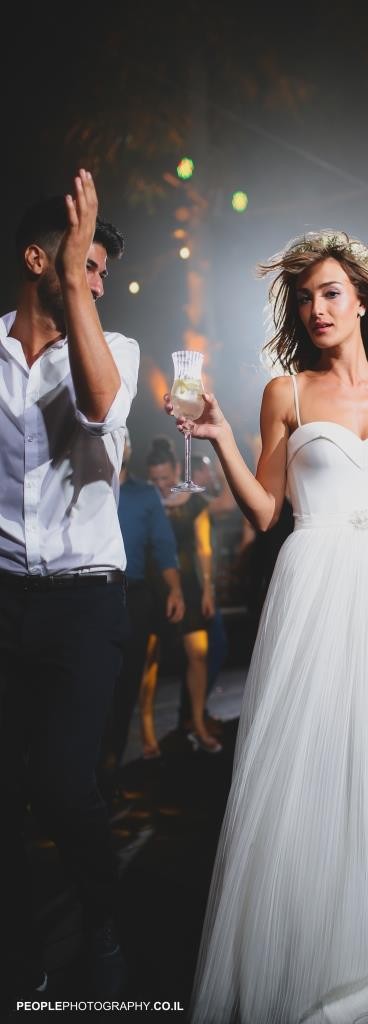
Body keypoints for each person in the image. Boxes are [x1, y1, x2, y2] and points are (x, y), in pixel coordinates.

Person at [168, 230, 368, 1023]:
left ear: (360, 299)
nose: (316, 308)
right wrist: (221, 436)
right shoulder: (284, 393)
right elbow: (265, 511)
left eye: (329, 293)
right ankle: (301, 955)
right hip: (313, 584)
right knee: (306, 759)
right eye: (304, 298)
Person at [0, 172, 139, 1000]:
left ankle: (103, 918)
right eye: (85, 263)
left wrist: (80, 276)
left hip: (85, 602)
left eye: (102, 270)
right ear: (35, 260)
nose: (98, 282)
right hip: (3, 598)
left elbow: (97, 409)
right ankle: (22, 962)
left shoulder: (114, 350)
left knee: (61, 785)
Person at [98, 429, 184, 794]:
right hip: (90, 597)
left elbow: (163, 546)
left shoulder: (144, 494)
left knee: (126, 687)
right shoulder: (88, 488)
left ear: (129, 448)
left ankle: (108, 771)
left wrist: (175, 588)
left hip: (132, 598)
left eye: (123, 439)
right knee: (90, 688)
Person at [142, 437, 221, 755]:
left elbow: (204, 548)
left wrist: (208, 589)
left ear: (177, 470)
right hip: (154, 585)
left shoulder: (194, 501)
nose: (161, 485)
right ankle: (147, 731)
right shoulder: (147, 502)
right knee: (149, 661)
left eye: (165, 477)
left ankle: (197, 723)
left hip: (189, 584)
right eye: (155, 479)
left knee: (199, 654)